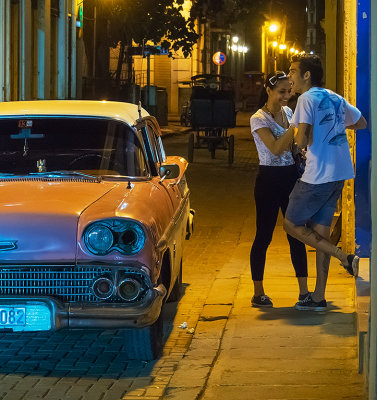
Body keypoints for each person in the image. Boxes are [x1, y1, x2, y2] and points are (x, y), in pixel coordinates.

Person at [284, 54, 367, 311]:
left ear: (307, 75)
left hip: (316, 175)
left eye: (293, 71)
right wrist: (332, 129)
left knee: (290, 223)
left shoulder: (306, 98)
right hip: (339, 172)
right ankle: (318, 297)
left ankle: (346, 257)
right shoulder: (333, 96)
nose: (290, 77)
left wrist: (299, 143)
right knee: (321, 234)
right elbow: (361, 122)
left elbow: (304, 137)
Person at [249, 71, 308, 308]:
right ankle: (258, 292)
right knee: (264, 236)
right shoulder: (258, 118)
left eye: (289, 91)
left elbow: (295, 145)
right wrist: (295, 127)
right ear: (269, 90)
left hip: (290, 177)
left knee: (296, 234)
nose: (286, 96)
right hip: (269, 180)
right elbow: (274, 148)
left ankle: (304, 292)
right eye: (282, 92)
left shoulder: (289, 112)